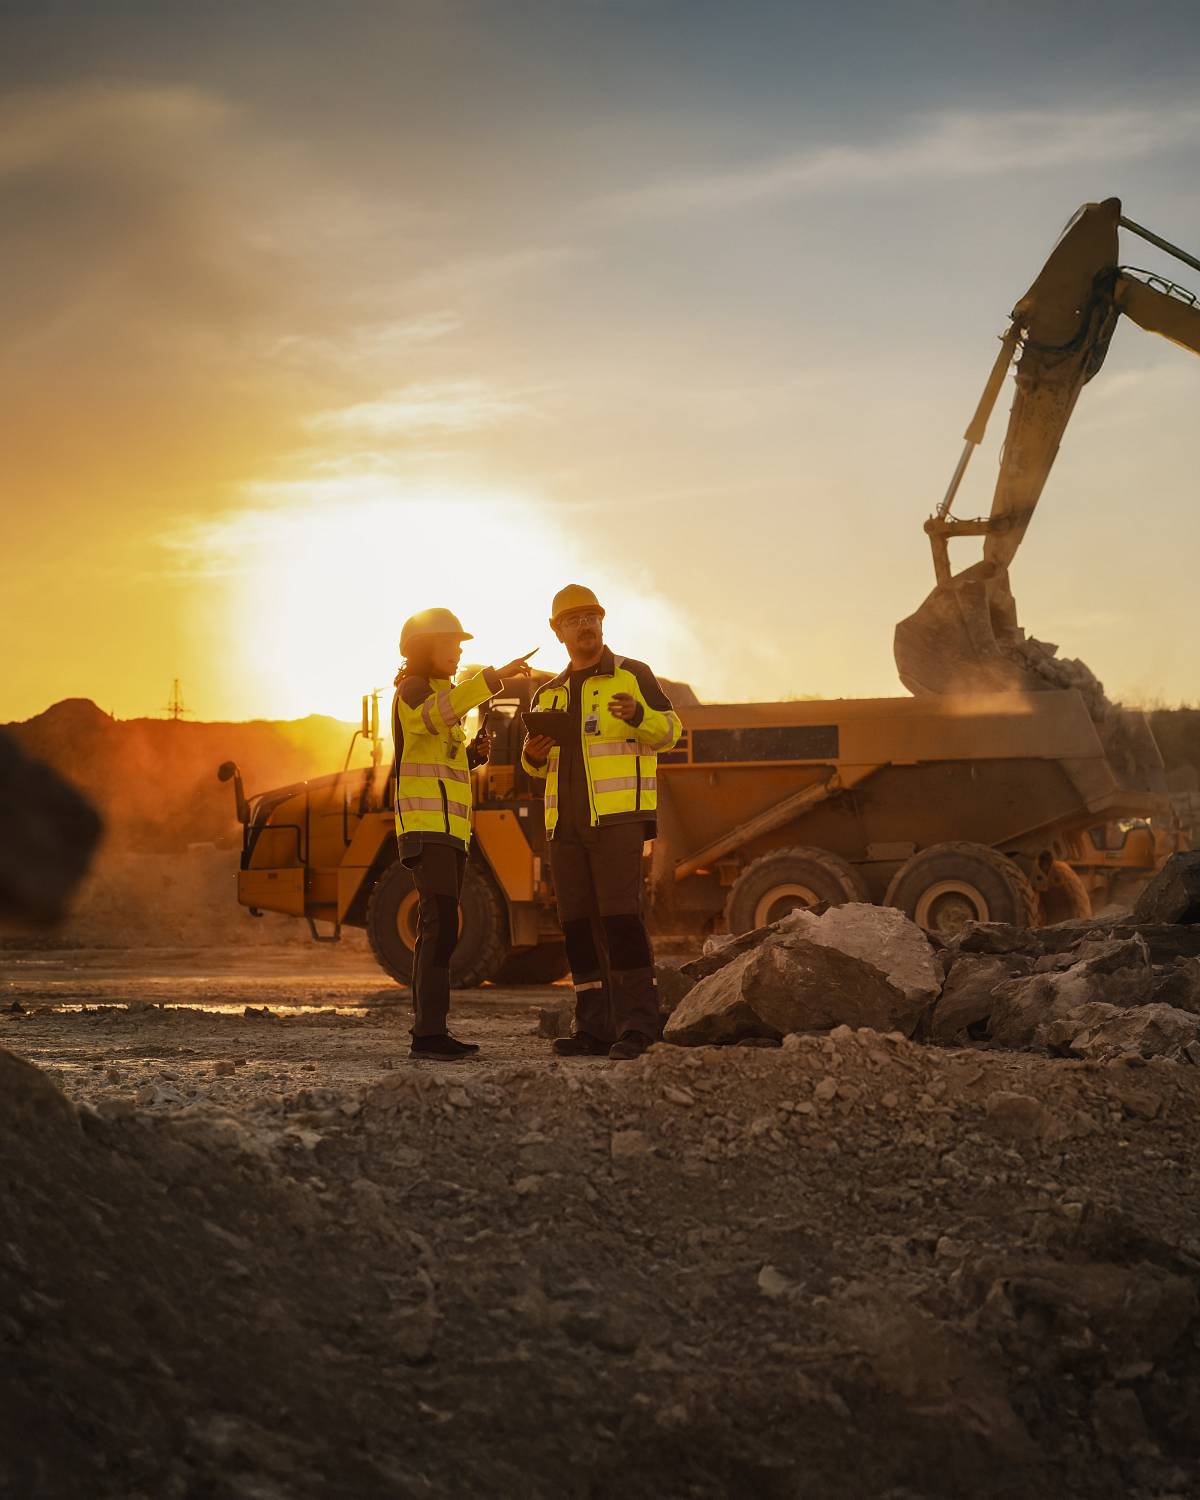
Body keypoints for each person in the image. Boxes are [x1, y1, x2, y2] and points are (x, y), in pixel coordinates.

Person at [521, 585, 681, 1060]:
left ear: (602, 622)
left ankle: (639, 1026)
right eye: (575, 620)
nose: (586, 625)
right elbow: (537, 768)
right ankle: (592, 1026)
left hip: (617, 820)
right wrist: (531, 756)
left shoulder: (632, 676)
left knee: (621, 921)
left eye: (592, 616)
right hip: (564, 826)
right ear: (558, 631)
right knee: (576, 926)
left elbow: (671, 731)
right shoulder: (547, 695)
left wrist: (637, 717)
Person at [393, 608, 534, 1060]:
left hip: (450, 830)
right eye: (451, 644)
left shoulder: (443, 697)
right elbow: (431, 718)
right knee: (438, 926)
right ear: (423, 647)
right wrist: (492, 679)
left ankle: (433, 1031)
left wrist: (472, 755)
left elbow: (439, 752)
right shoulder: (413, 692)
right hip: (425, 825)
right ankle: (428, 1035)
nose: (458, 652)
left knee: (445, 927)